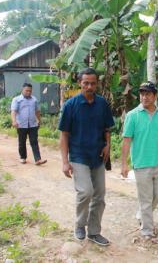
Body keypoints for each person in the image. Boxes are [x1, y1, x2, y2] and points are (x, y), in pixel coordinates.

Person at [58, 68, 114, 246]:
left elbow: (107, 129)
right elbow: (64, 135)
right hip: (78, 155)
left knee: (99, 195)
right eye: (86, 83)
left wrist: (107, 145)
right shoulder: (70, 106)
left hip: (97, 156)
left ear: (97, 84)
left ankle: (94, 232)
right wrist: (65, 162)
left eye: (93, 83)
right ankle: (80, 225)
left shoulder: (102, 104)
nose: (89, 86)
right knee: (85, 192)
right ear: (80, 83)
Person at [121, 81, 158, 241]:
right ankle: (147, 231)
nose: (144, 97)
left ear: (155, 96)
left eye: (148, 93)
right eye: (142, 94)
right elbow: (127, 140)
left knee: (156, 196)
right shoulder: (132, 116)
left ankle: (141, 215)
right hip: (141, 164)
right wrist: (124, 163)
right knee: (145, 199)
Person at [11, 83, 47, 165]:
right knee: (22, 142)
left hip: (33, 124)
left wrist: (39, 120)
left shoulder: (34, 100)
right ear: (22, 90)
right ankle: (23, 157)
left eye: (30, 91)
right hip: (21, 125)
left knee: (34, 142)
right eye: (26, 90)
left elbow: (37, 111)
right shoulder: (16, 100)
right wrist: (14, 121)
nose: (28, 92)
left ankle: (38, 159)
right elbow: (13, 111)